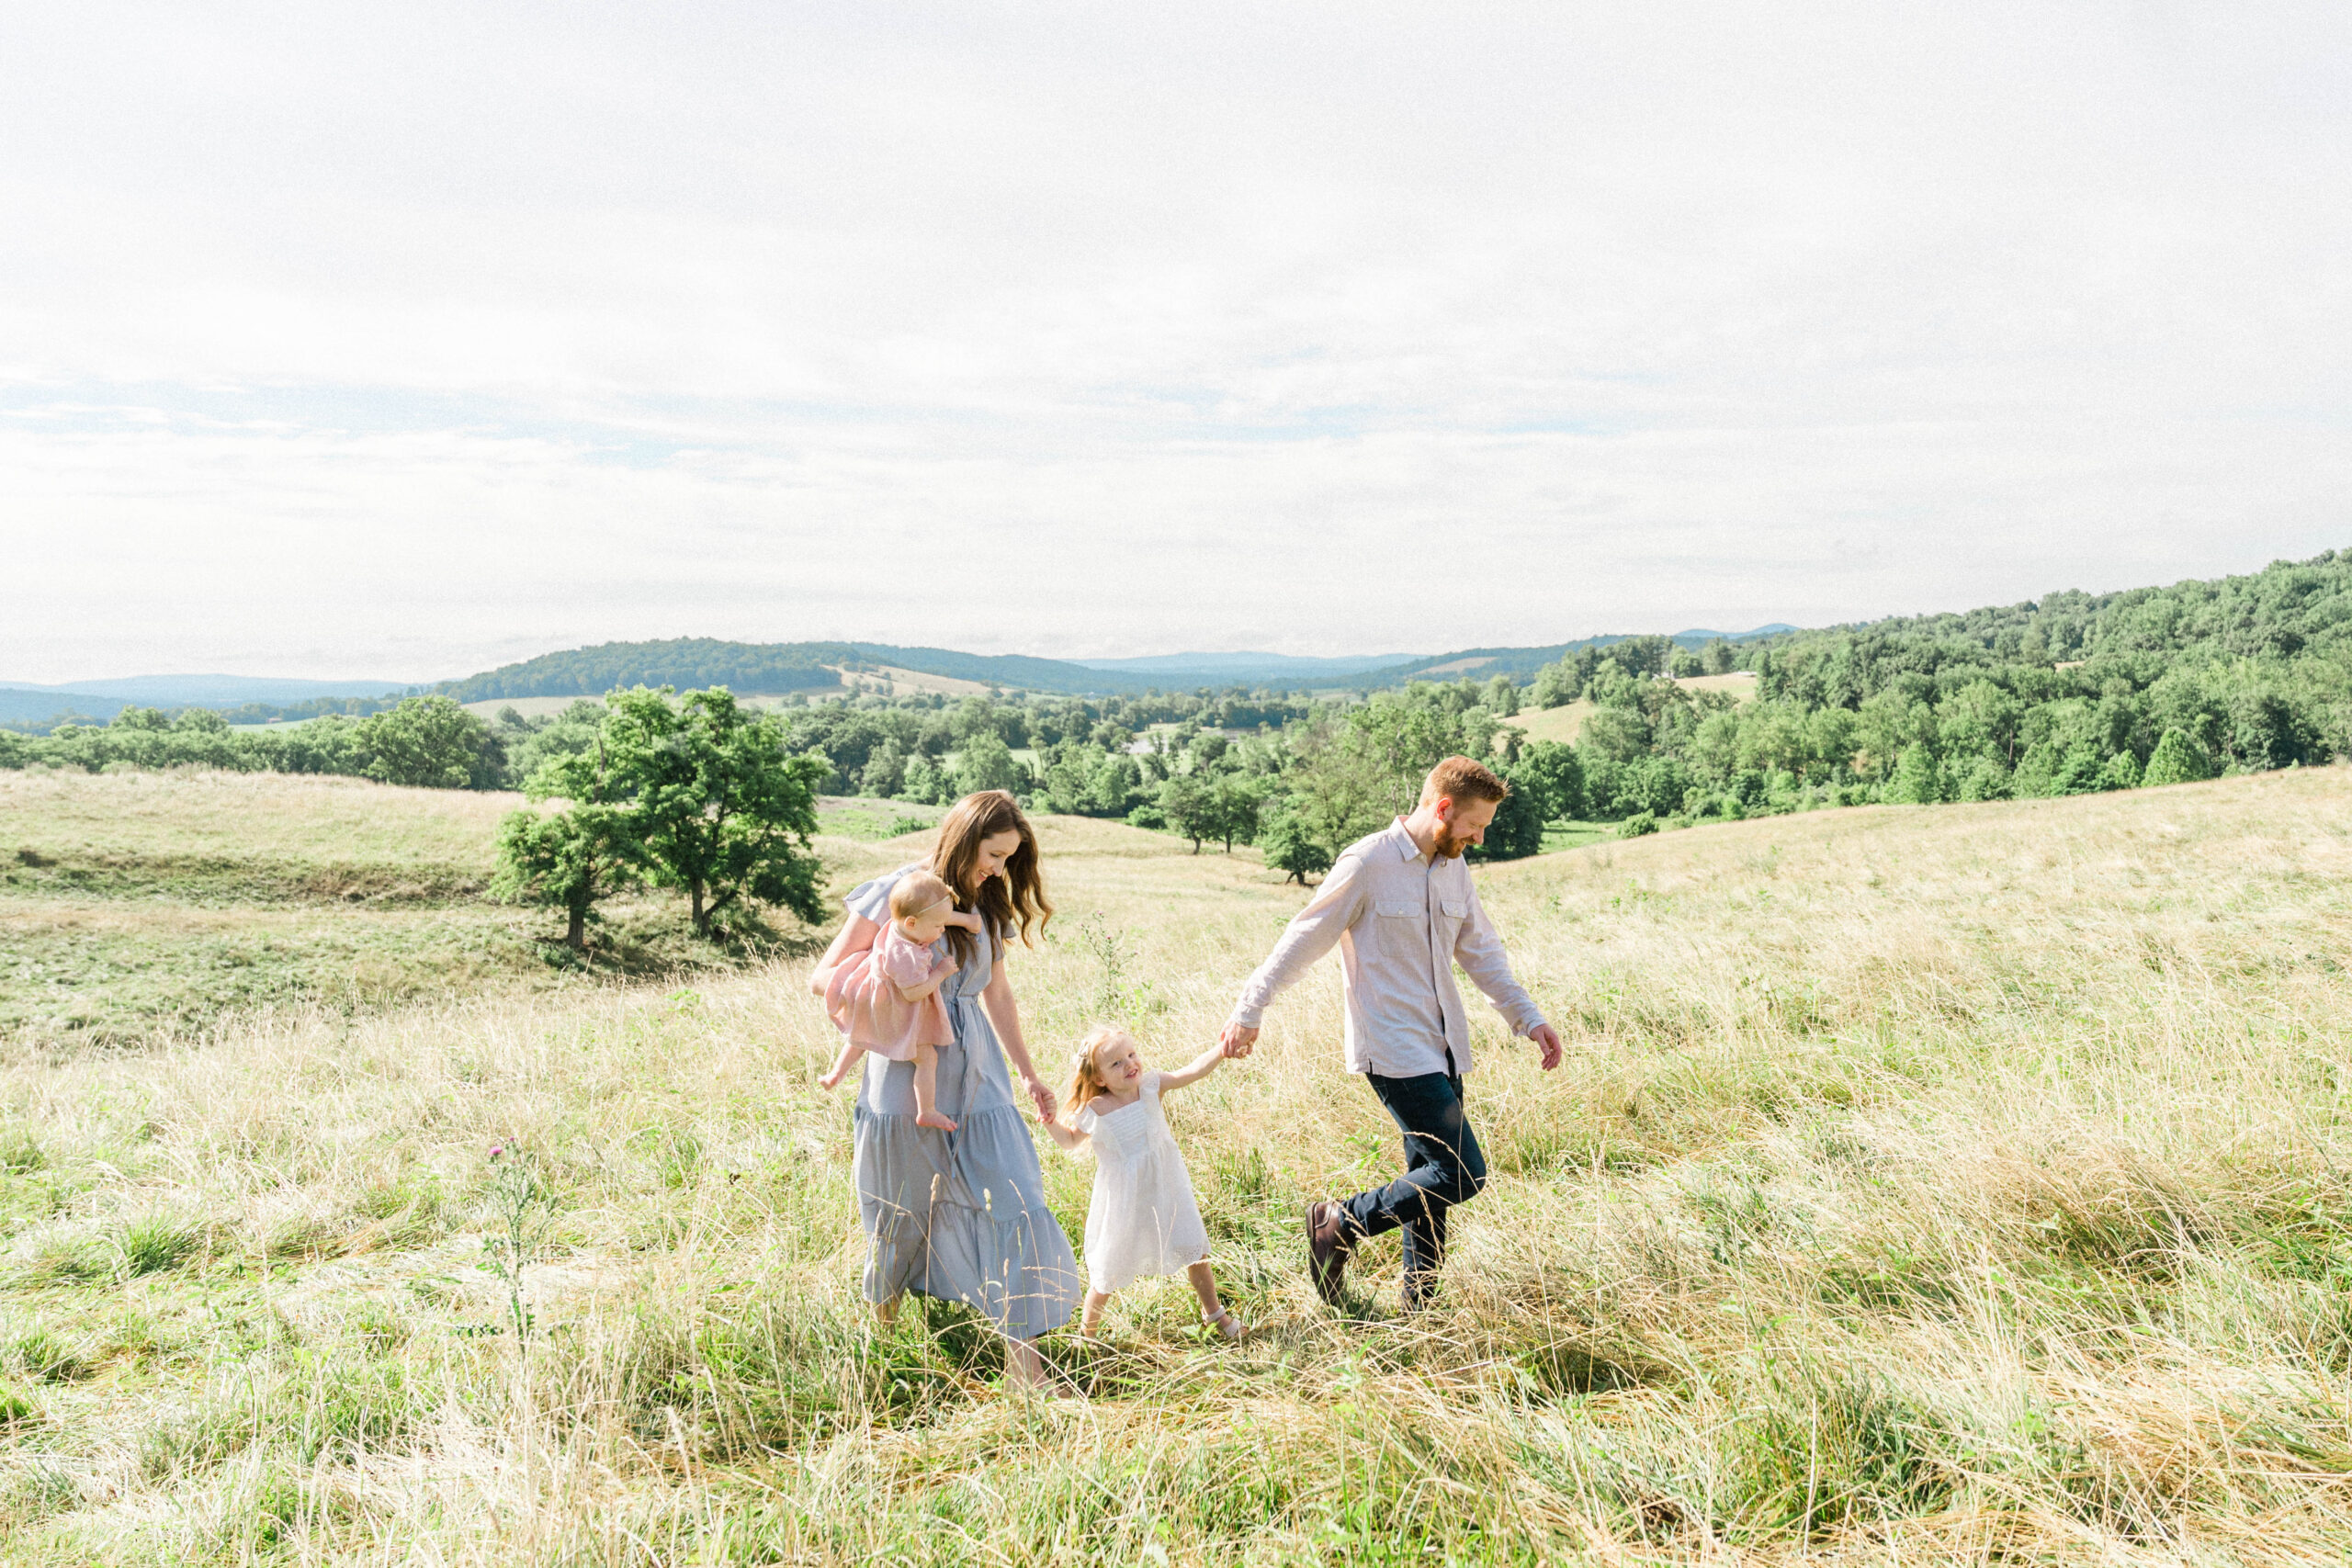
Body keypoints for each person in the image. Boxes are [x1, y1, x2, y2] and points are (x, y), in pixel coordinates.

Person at [1218, 756, 1564, 1312]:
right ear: (1443, 808)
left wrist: (1529, 1018)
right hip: (1394, 1047)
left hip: (1444, 1043)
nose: (1479, 837)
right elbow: (1302, 939)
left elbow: (1481, 953)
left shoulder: (1453, 866)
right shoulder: (1368, 862)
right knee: (1462, 1173)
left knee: (1428, 1179)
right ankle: (1339, 1222)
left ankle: (1418, 1305)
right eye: (1475, 825)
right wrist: (1249, 1008)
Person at [809, 791, 1080, 1390]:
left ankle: (1024, 1373)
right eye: (994, 854)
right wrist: (892, 983)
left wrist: (1031, 1072)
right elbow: (822, 976)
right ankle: (883, 1352)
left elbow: (997, 994)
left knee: (1014, 1196)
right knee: (900, 1209)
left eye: (1010, 858)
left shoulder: (988, 903)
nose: (1000, 869)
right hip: (906, 1073)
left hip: (978, 1073)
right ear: (964, 838)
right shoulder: (899, 891)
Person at [1040, 1024, 1245, 1341]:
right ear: (1099, 1078)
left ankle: (1214, 1313)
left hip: (1168, 1187)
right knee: (1108, 1272)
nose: (1130, 1064)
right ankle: (1087, 1338)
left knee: (1194, 1250)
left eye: (1131, 1054)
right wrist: (1049, 1121)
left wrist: (1221, 1050)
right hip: (1125, 1201)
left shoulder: (1152, 1086)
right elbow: (1069, 1141)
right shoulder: (1095, 1109)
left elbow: (1191, 1072)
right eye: (1116, 1063)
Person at [817, 870, 980, 1131]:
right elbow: (913, 993)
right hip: (895, 1006)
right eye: (939, 927)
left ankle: (836, 1073)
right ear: (913, 923)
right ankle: (926, 1110)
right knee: (927, 1059)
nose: (941, 931)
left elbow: (936, 914)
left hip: (873, 998)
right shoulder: (905, 955)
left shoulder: (900, 925)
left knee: (862, 1035)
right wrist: (940, 972)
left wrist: (967, 921)